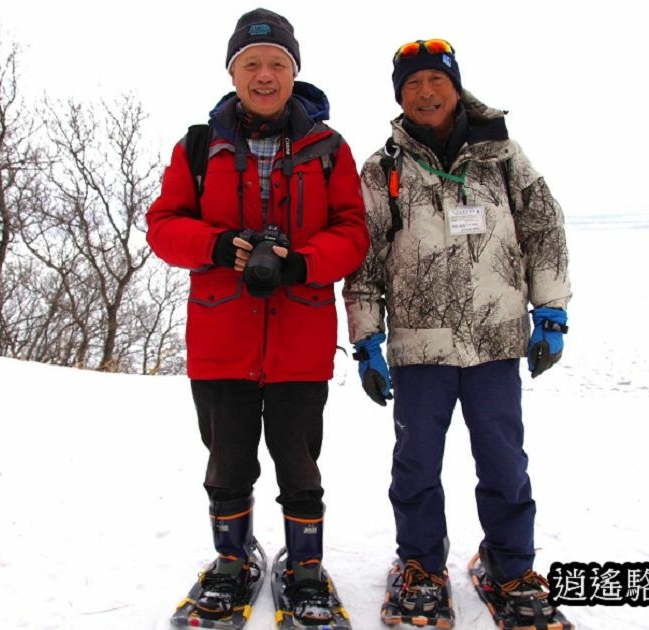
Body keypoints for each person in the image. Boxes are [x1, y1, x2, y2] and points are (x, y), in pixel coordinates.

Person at [145, 8, 369, 625]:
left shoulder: (329, 148)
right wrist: (216, 246)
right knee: (228, 462)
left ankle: (304, 568)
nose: (264, 76)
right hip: (221, 339)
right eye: (252, 64)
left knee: (300, 463)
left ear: (294, 73)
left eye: (277, 65)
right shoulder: (198, 145)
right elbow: (162, 227)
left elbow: (354, 232)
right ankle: (232, 562)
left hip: (299, 340)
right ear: (233, 71)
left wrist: (301, 262)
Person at [343, 38, 571, 625]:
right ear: (400, 95)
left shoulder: (503, 156)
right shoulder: (383, 169)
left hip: (495, 341)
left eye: (434, 81)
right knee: (416, 462)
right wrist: (367, 341)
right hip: (420, 347)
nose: (424, 92)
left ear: (455, 86)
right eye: (412, 84)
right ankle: (419, 565)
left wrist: (550, 312)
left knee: (502, 460)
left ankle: (510, 565)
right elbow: (364, 259)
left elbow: (544, 228)